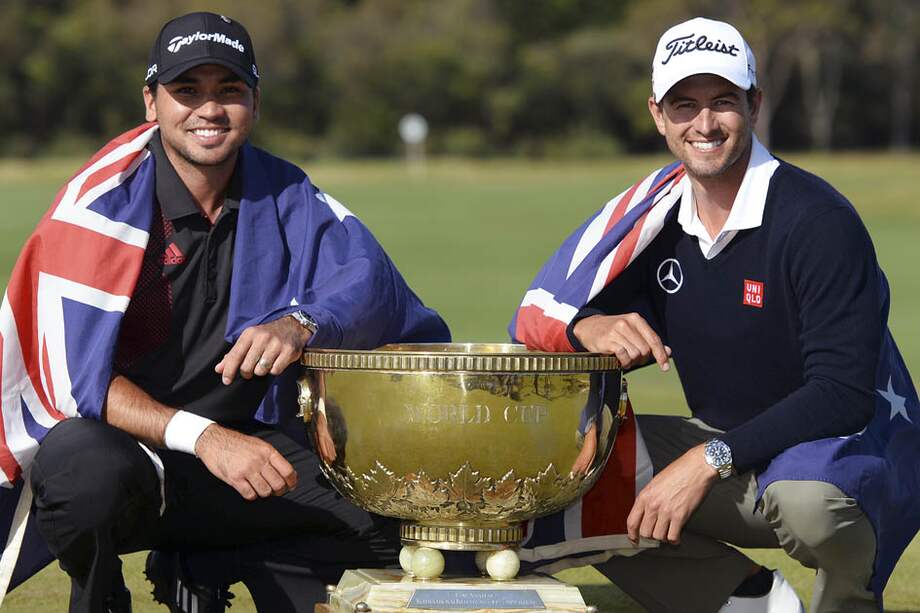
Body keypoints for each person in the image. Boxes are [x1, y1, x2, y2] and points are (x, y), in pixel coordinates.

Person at [0, 11, 449, 613]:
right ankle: (101, 595)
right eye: (187, 91)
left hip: (242, 448)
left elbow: (371, 286)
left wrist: (301, 323)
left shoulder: (285, 191)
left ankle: (211, 562)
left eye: (228, 91)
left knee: (397, 519)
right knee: (86, 476)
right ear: (151, 102)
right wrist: (204, 437)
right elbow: (76, 379)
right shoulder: (95, 207)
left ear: (254, 103)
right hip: (122, 450)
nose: (208, 109)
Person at [510, 17, 919, 613]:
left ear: (754, 104)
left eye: (722, 102)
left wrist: (706, 460)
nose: (704, 124)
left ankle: (847, 605)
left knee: (809, 506)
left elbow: (841, 394)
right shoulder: (655, 223)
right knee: (578, 470)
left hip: (840, 451)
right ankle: (744, 601)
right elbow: (575, 306)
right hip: (731, 448)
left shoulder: (818, 221)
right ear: (658, 115)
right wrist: (586, 326)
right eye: (685, 105)